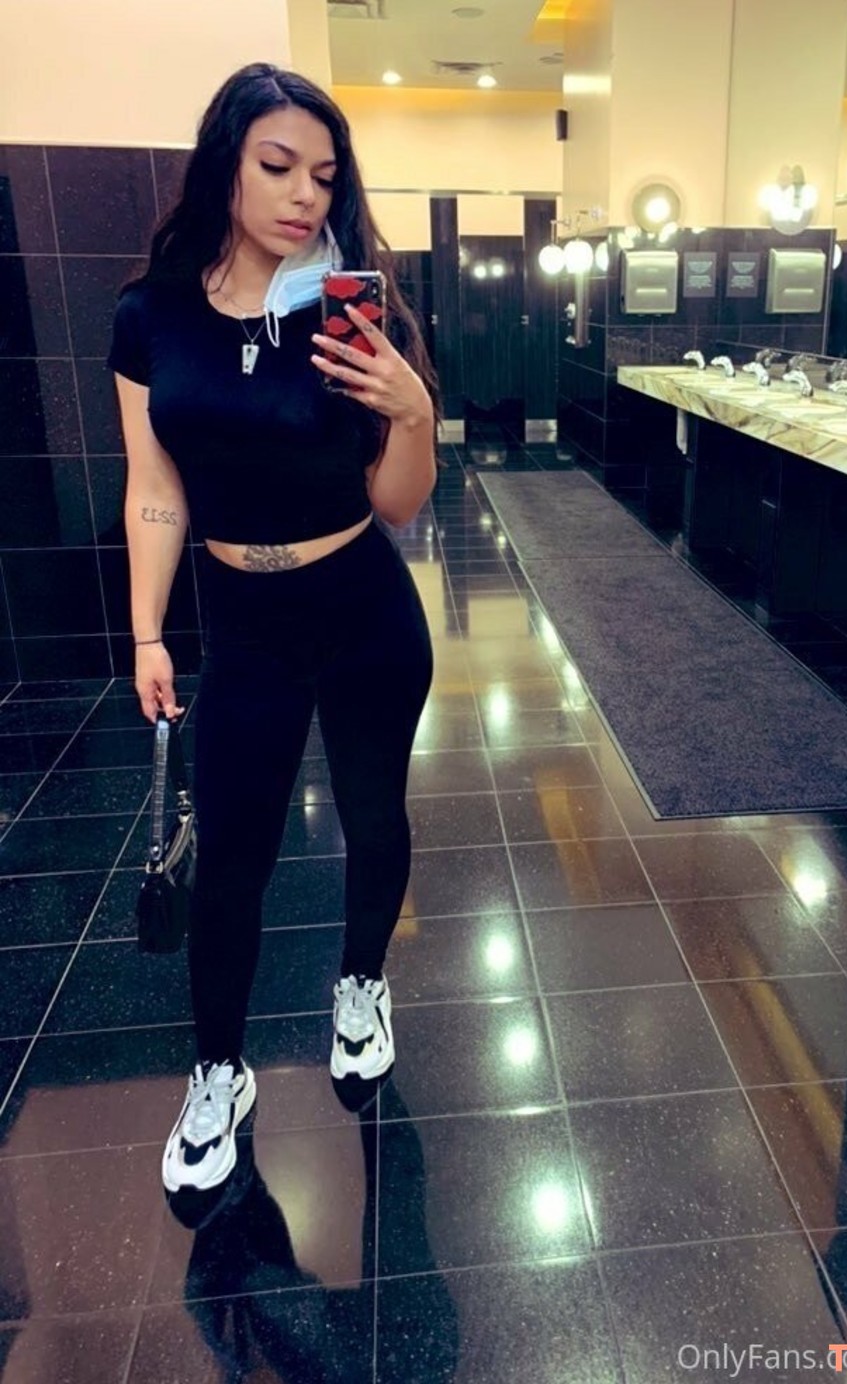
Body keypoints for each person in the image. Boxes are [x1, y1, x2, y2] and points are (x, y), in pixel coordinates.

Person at [106, 62, 439, 1194]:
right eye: (279, 165)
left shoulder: (348, 307)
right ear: (227, 165)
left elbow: (400, 503)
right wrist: (148, 633)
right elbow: (154, 486)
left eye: (325, 175)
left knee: (374, 813)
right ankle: (219, 1072)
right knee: (235, 857)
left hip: (363, 609)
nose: (306, 194)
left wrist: (414, 414)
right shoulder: (151, 317)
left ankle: (362, 985)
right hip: (242, 625)